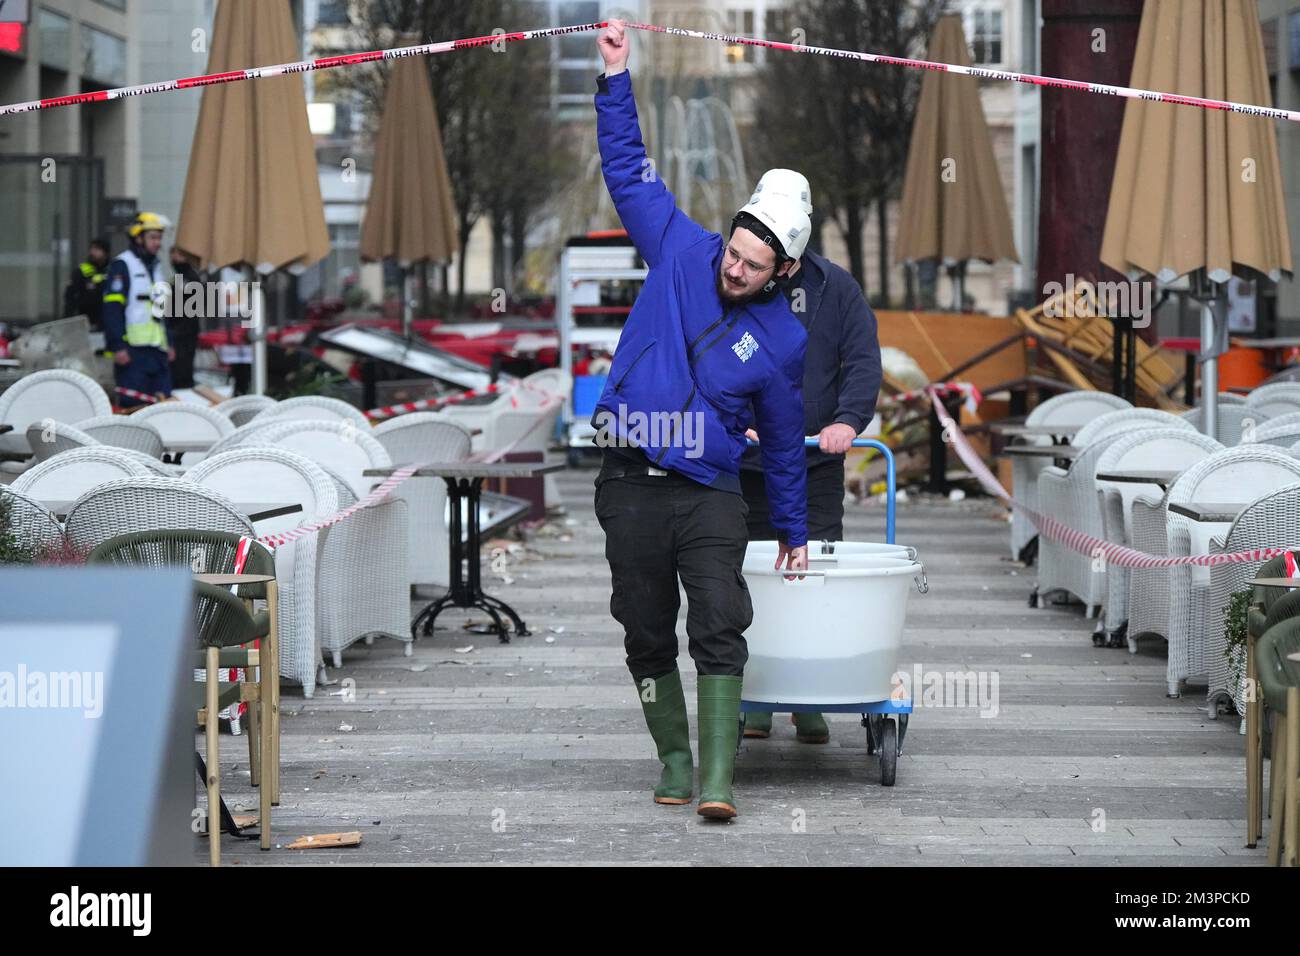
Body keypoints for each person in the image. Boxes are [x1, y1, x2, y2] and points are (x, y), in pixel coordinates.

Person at [592, 19, 810, 821]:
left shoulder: (783, 338)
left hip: (712, 493)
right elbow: (626, 169)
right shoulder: (680, 247)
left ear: (782, 270)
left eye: (755, 265)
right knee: (645, 631)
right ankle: (676, 759)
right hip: (630, 484)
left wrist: (791, 528)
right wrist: (617, 75)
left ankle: (720, 779)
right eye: (735, 250)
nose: (735, 267)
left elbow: (783, 442)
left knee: (719, 624)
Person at [739, 170, 883, 746]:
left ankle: (808, 699)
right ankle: (756, 693)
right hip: (744, 467)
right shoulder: (735, 281)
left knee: (811, 571)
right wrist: (730, 421)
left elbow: (862, 361)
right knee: (747, 577)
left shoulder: (837, 290)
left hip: (813, 466)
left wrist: (848, 420)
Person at [102, 212, 174, 408]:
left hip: (157, 352)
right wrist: (117, 346)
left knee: (162, 407)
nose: (157, 243)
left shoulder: (157, 267)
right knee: (134, 407)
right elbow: (112, 309)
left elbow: (162, 310)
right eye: (152, 237)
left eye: (159, 237)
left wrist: (169, 343)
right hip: (133, 353)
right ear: (138, 237)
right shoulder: (122, 265)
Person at [168, 247, 203, 389]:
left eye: (178, 255)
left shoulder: (189, 278)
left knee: (182, 371)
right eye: (172, 255)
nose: (174, 259)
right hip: (179, 331)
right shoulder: (178, 278)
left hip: (184, 334)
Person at [62, 237, 111, 330]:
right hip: (86, 321)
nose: (93, 252)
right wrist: (68, 321)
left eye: (97, 249)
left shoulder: (112, 270)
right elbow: (70, 297)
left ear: (105, 252)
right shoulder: (82, 271)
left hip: (106, 321)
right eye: (92, 249)